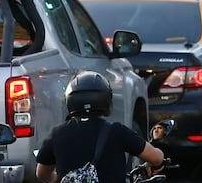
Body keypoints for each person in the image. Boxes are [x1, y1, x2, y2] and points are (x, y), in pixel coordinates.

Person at [36, 72, 164, 183]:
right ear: (106, 100)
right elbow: (156, 158)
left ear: (70, 100)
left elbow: (42, 174)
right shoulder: (117, 131)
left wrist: (58, 179)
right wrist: (160, 152)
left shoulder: (57, 133)